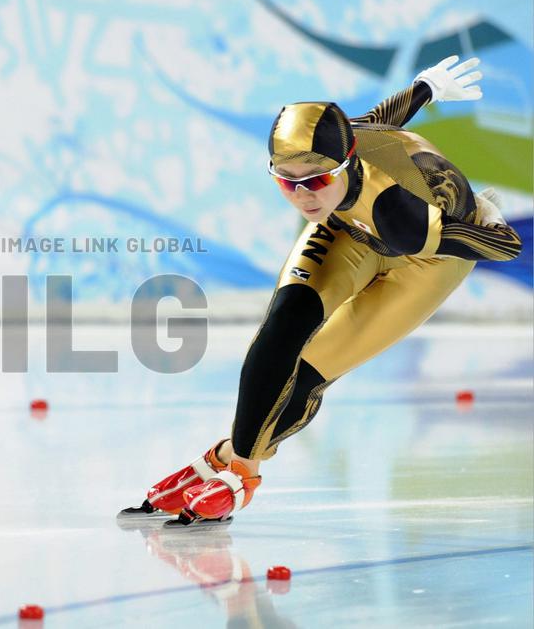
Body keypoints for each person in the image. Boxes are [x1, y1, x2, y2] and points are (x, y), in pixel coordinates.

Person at [119, 55, 523, 529]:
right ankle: (239, 468)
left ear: (348, 164)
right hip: (349, 227)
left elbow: (508, 247)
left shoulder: (400, 212)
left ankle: (230, 466)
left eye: (316, 180)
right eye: (286, 182)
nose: (304, 195)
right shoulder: (335, 151)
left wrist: (486, 219)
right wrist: (424, 88)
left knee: (310, 373)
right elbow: (374, 121)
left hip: (427, 257)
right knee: (284, 324)